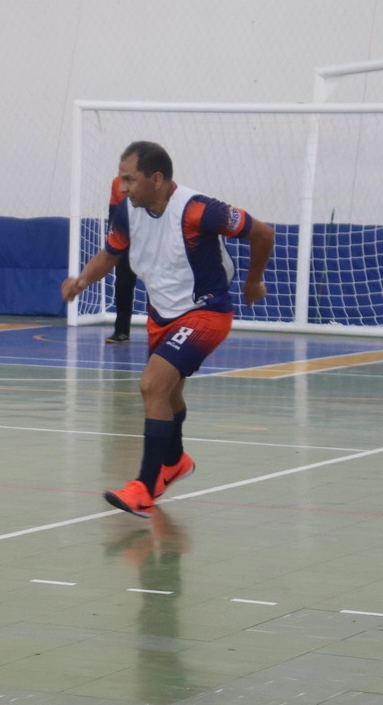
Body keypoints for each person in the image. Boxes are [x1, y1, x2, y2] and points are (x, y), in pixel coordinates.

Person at [62, 140, 274, 517]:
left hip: (205, 312)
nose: (122, 186)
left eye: (130, 178)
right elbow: (111, 253)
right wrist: (81, 282)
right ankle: (174, 461)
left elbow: (264, 233)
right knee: (169, 395)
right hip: (162, 314)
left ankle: (143, 487)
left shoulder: (199, 211)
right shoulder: (127, 211)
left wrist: (253, 281)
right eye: (120, 178)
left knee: (151, 385)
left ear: (156, 179)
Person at [107, 175, 138, 344]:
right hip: (125, 243)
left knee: (155, 288)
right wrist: (111, 240)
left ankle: (159, 330)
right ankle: (121, 332)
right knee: (122, 286)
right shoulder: (117, 182)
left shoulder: (151, 182)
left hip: (149, 243)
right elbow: (113, 211)